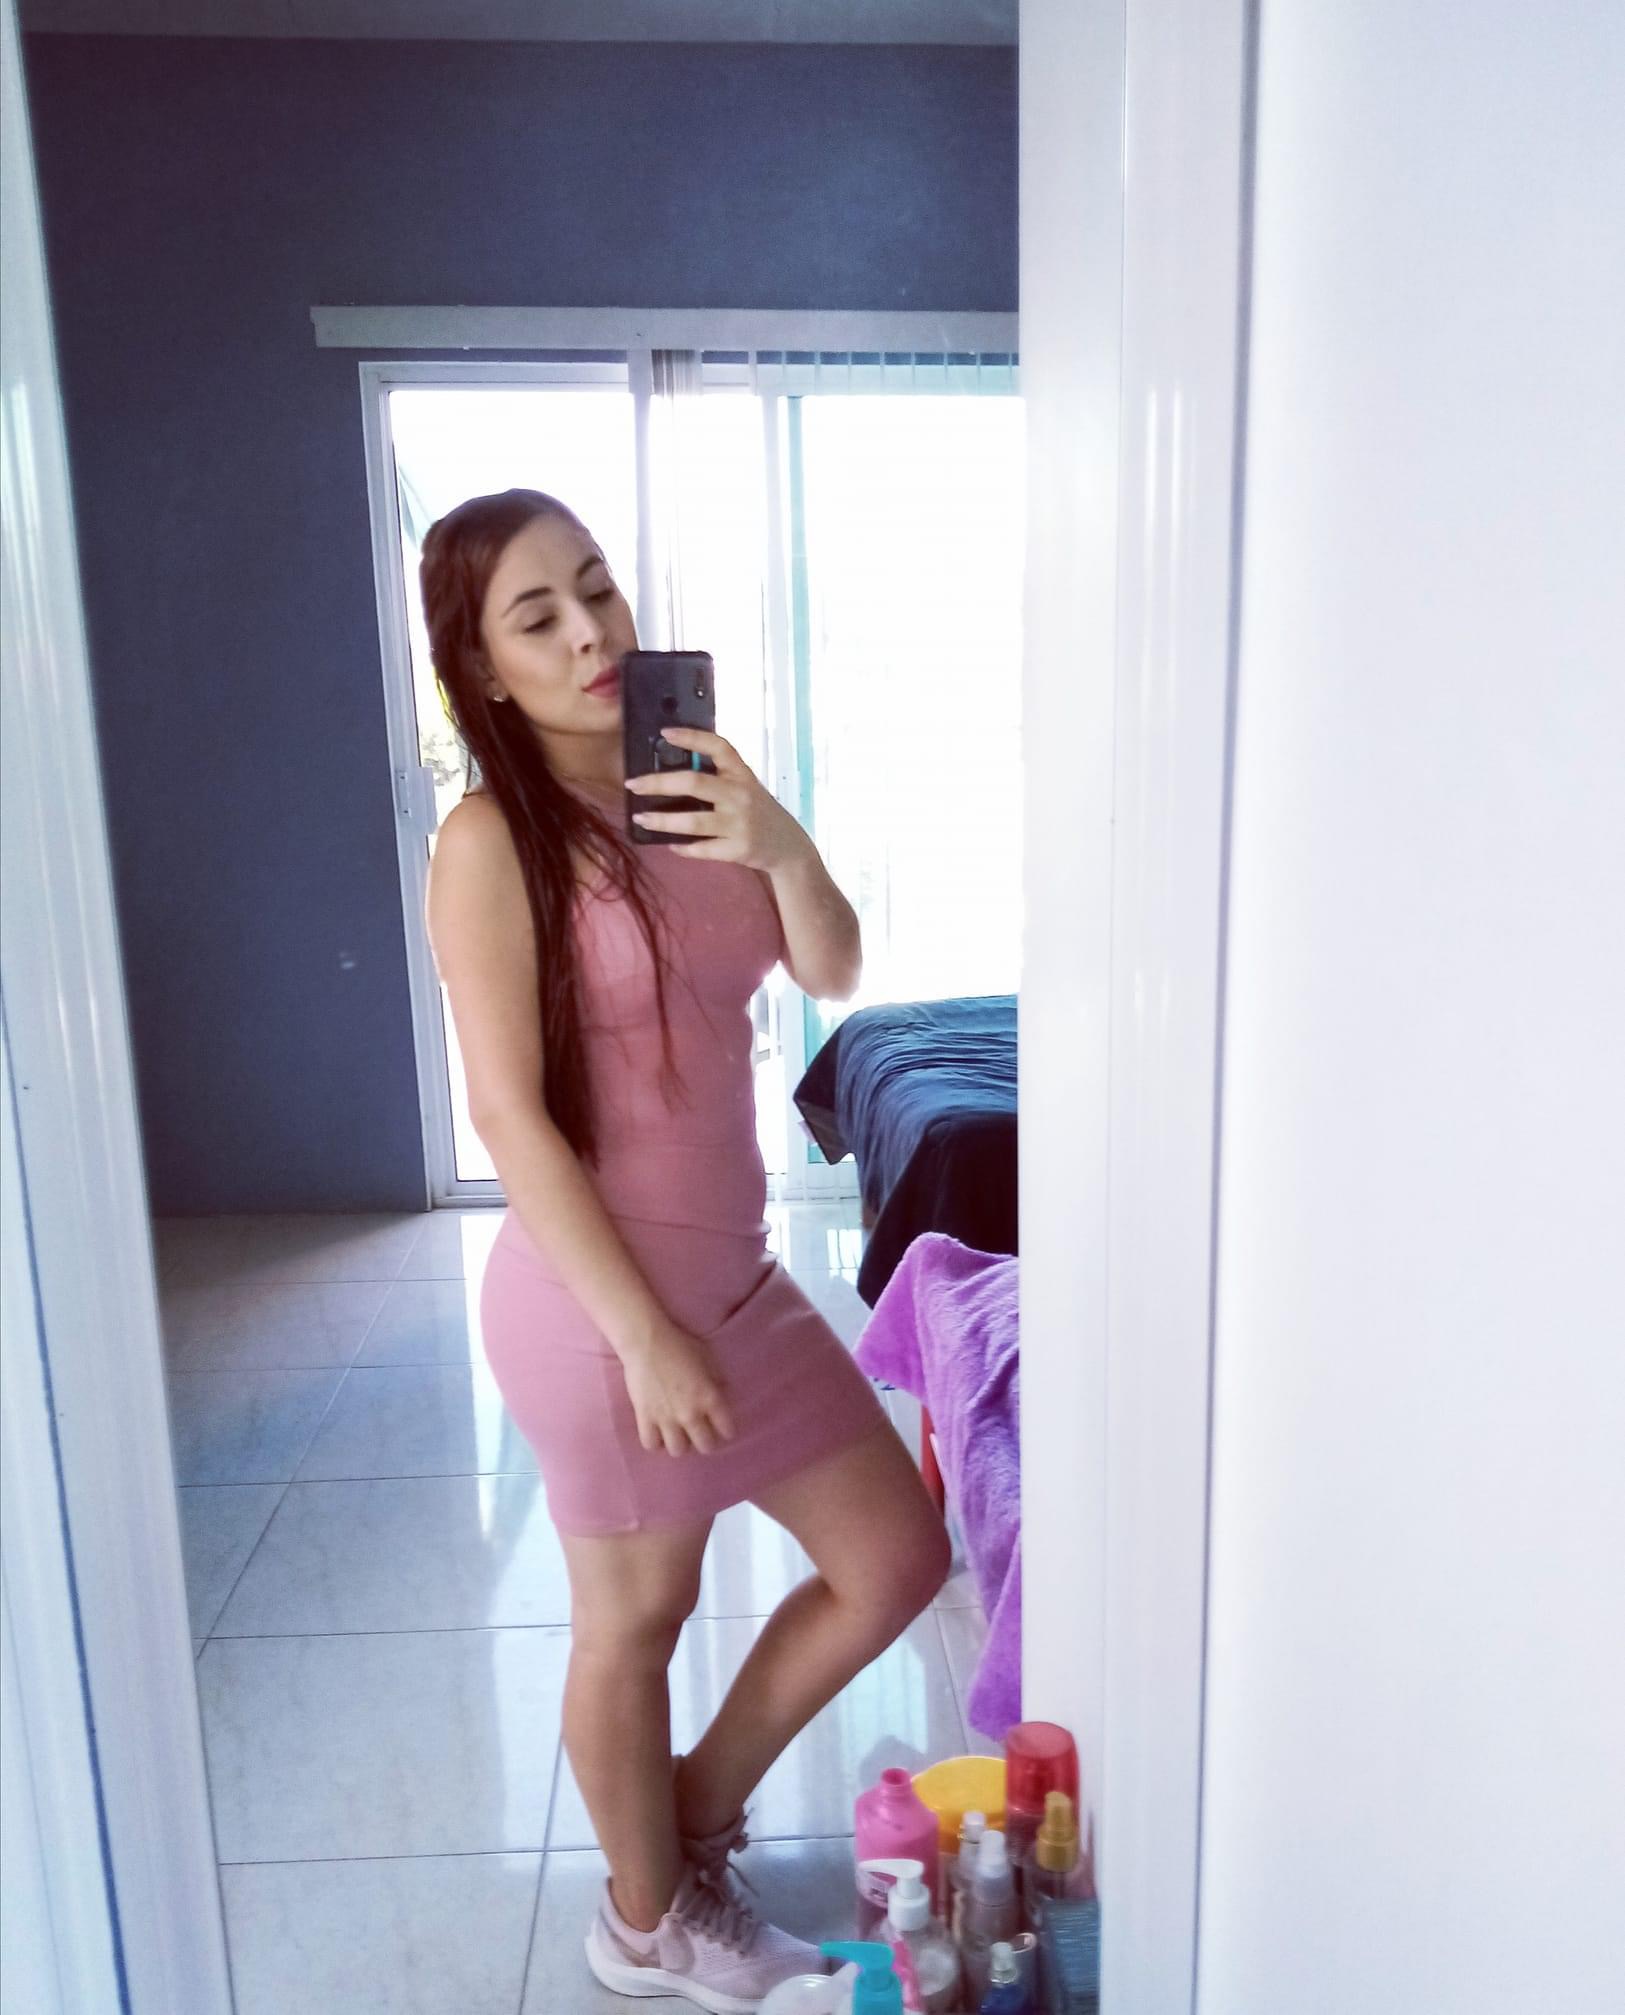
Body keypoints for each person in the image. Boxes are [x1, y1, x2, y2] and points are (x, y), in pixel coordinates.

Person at [421, 489, 950, 2009]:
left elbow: (832, 962)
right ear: (483, 666)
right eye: (537, 617)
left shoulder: (693, 783)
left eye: (596, 587)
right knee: (635, 1619)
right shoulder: (487, 842)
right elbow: (508, 1115)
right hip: (602, 1305)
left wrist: (776, 835)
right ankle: (649, 1922)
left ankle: (690, 1811)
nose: (590, 631)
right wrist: (643, 1336)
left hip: (734, 1272)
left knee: (895, 1558)